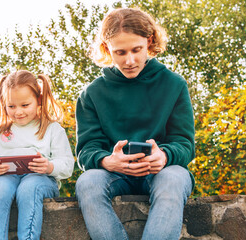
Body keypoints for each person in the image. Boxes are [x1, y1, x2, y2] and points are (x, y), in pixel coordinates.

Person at [75, 8, 195, 240]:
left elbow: (184, 144)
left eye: (136, 50)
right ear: (106, 48)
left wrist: (164, 156)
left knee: (173, 178)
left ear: (149, 42)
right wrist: (108, 160)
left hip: (163, 171)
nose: (129, 61)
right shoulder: (91, 94)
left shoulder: (174, 84)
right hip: (114, 175)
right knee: (87, 181)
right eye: (120, 52)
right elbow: (87, 150)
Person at [0, 70, 74, 239]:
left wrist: (49, 166)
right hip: (7, 178)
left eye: (25, 105)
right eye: (11, 106)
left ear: (38, 100)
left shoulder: (52, 129)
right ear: (4, 103)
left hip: (40, 180)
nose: (18, 112)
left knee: (28, 188)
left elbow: (67, 166)